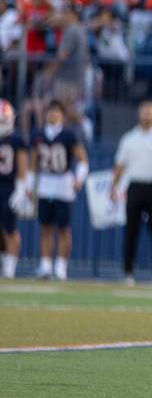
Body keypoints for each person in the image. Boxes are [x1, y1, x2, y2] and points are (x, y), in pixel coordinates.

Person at [110, 101, 152, 285]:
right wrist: (113, 186)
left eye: (151, 111)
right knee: (131, 231)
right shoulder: (129, 138)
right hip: (135, 186)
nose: (147, 115)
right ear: (139, 113)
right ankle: (128, 272)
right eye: (144, 111)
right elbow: (120, 165)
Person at [31, 100, 88, 281]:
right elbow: (33, 163)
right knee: (45, 227)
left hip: (63, 183)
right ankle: (46, 265)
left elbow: (82, 160)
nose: (52, 115)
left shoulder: (69, 135)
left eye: (56, 112)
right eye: (50, 111)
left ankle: (61, 266)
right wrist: (29, 185)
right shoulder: (38, 134)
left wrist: (79, 179)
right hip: (46, 182)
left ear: (63, 116)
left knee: (63, 228)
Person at [0, 100, 28, 278]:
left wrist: (21, 189)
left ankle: (10, 267)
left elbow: (23, 166)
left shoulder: (16, 140)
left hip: (9, 187)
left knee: (10, 228)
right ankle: (5, 260)